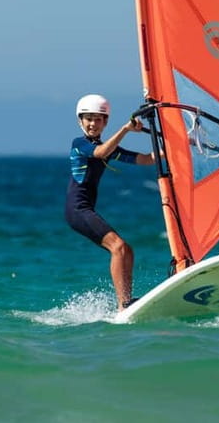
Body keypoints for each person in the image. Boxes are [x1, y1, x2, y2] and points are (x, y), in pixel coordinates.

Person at [65, 94, 155, 311]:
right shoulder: (80, 144)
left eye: (98, 119)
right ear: (80, 121)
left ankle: (127, 301)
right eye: (88, 119)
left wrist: (178, 144)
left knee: (128, 251)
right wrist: (125, 129)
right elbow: (100, 152)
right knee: (119, 247)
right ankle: (123, 305)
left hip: (86, 209)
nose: (92, 124)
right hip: (77, 210)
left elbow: (146, 159)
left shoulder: (109, 148)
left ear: (105, 122)